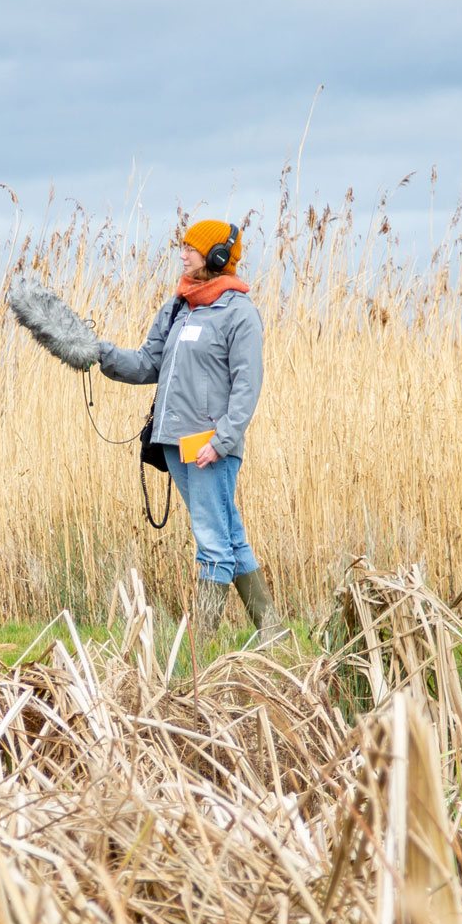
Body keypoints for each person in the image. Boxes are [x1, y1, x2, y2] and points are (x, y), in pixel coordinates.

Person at [96, 218, 283, 645]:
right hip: (174, 443)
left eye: (190, 249)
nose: (182, 255)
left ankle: (197, 652)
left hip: (208, 448)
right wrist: (99, 352)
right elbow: (146, 364)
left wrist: (222, 441)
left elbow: (247, 387)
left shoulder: (239, 313)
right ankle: (274, 636)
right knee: (230, 538)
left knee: (213, 545)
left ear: (217, 257)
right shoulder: (180, 307)